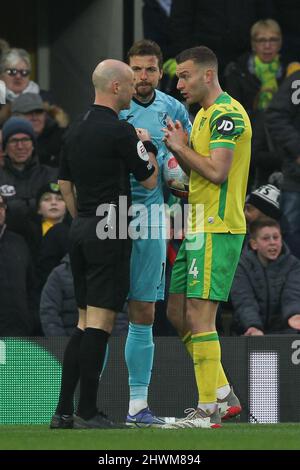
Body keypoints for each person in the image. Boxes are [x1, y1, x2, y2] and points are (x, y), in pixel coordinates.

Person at [51, 59, 158, 429]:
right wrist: (148, 146)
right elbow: (148, 180)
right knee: (100, 323)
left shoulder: (75, 129)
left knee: (83, 322)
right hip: (109, 230)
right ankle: (88, 411)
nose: (134, 88)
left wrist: (84, 216)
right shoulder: (121, 130)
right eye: (129, 83)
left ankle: (63, 411)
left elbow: (65, 184)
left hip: (81, 227)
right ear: (115, 88)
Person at [163, 46, 252, 428]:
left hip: (218, 227)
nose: (179, 83)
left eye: (184, 76)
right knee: (177, 312)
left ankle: (207, 410)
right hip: (197, 226)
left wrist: (182, 149)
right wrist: (180, 155)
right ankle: (221, 393)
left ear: (207, 75)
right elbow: (199, 176)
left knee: (201, 317)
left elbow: (217, 172)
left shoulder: (226, 116)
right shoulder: (201, 117)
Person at [119, 39, 191, 427]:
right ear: (125, 70)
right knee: (95, 314)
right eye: (136, 69)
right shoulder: (115, 107)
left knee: (143, 310)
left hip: (151, 221)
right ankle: (83, 408)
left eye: (149, 69)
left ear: (160, 71)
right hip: (110, 218)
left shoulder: (174, 109)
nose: (142, 77)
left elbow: (189, 161)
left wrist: (180, 177)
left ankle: (136, 406)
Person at [231, 218, 300, 335]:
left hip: (284, 332)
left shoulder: (294, 265)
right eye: (266, 238)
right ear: (254, 244)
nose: (272, 242)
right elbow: (244, 301)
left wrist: (294, 314)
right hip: (249, 330)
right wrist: (253, 325)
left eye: (276, 237)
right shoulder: (240, 266)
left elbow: (292, 295)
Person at [0, 192, 40, 335]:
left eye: (1, 206)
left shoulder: (19, 241)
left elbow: (32, 286)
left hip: (19, 330)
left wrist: (32, 319)